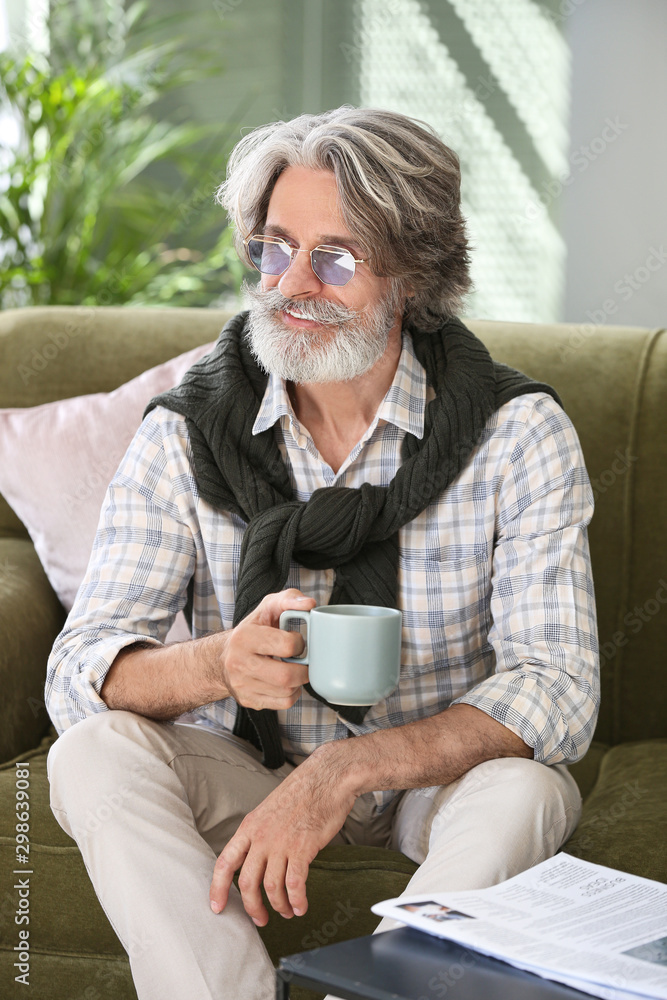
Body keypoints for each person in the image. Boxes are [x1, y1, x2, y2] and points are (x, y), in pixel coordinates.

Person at [45, 106, 600, 1000]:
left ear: (411, 278)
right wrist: (216, 664)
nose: (289, 282)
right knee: (90, 753)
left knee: (528, 790)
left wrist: (351, 768)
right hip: (243, 767)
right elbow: (79, 671)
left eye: (334, 257)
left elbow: (559, 687)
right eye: (274, 246)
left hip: (435, 779)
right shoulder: (183, 435)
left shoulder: (516, 432)